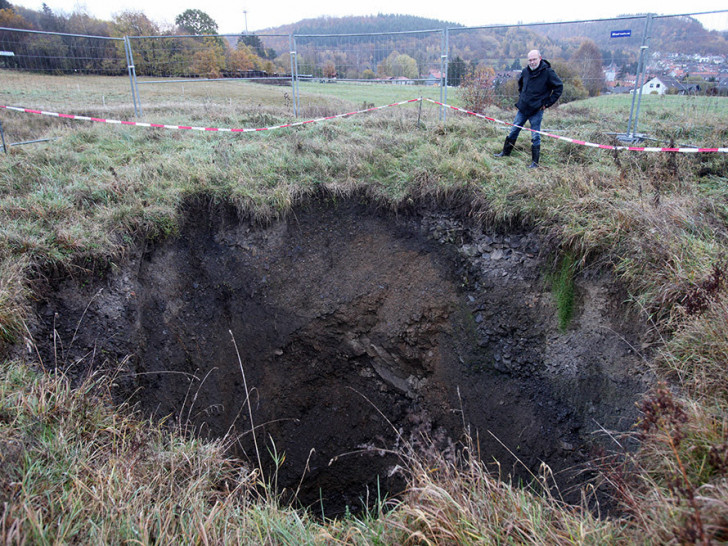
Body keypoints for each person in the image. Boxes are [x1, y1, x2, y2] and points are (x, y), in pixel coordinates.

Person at [494, 50, 563, 168]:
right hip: (523, 108)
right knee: (514, 130)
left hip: (537, 110)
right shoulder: (525, 71)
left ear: (540, 58)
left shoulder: (548, 72)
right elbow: (520, 85)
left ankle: (535, 163)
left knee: (535, 135)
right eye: (530, 60)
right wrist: (522, 97)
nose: (532, 62)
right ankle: (505, 153)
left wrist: (546, 103)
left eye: (534, 59)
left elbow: (559, 87)